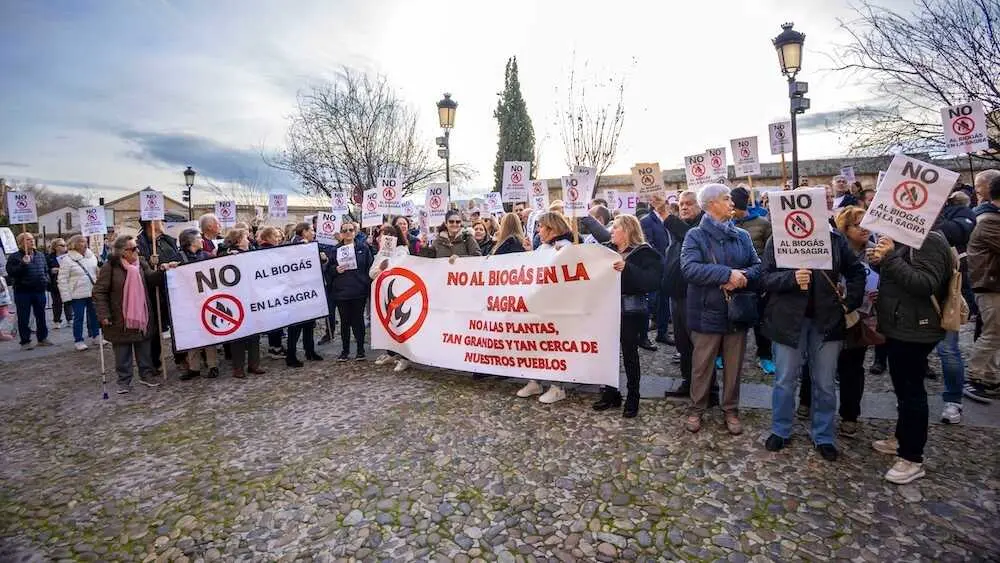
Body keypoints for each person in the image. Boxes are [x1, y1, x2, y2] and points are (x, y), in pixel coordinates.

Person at [761, 206, 865, 461]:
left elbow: (856, 272)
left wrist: (850, 300)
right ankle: (781, 429)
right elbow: (764, 278)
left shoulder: (835, 240)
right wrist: (791, 279)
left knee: (825, 383)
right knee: (785, 380)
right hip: (788, 321)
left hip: (826, 320)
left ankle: (823, 434)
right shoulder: (778, 240)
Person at [869, 229, 952, 484]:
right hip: (900, 325)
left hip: (917, 328)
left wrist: (891, 258)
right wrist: (880, 260)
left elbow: (925, 284)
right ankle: (901, 439)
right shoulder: (904, 237)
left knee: (912, 392)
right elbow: (898, 279)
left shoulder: (931, 240)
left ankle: (912, 458)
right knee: (903, 390)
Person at [680, 184, 762, 434]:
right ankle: (696, 409)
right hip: (706, 312)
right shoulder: (695, 235)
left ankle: (731, 409)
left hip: (736, 312)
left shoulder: (742, 236)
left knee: (735, 366)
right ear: (711, 204)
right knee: (702, 365)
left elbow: (758, 267)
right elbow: (689, 269)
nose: (732, 203)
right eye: (726, 199)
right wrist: (726, 274)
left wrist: (742, 276)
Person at [593, 215, 663, 417]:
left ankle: (633, 397)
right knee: (607, 354)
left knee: (630, 354)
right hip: (607, 309)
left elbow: (652, 281)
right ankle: (610, 393)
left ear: (628, 230)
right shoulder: (607, 250)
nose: (611, 231)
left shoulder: (645, 253)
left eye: (615, 228)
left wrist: (628, 268)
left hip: (632, 312)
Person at [93, 235, 172, 393]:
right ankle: (124, 380)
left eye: (136, 247)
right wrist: (103, 314)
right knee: (122, 352)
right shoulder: (110, 267)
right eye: (133, 248)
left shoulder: (141, 263)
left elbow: (151, 279)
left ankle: (146, 374)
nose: (137, 250)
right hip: (119, 316)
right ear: (123, 252)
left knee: (144, 348)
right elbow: (99, 292)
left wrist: (162, 269)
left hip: (142, 314)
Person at [516, 212, 576, 404]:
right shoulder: (543, 247)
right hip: (539, 304)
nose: (538, 230)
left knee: (554, 346)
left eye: (541, 227)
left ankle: (558, 386)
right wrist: (528, 254)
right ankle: (535, 380)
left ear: (551, 228)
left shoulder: (566, 248)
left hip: (557, 305)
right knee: (535, 344)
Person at [831, 207, 880, 436]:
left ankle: (850, 415)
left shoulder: (877, 252)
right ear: (845, 228)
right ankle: (809, 402)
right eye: (858, 225)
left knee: (853, 368)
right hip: (832, 314)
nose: (864, 229)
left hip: (861, 317)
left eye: (867, 224)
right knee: (823, 365)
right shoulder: (834, 250)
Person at [663, 190, 705, 398]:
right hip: (676, 295)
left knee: (699, 345)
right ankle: (688, 382)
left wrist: (664, 214)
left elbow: (689, 235)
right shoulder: (678, 229)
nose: (684, 207)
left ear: (700, 206)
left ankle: (708, 388)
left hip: (693, 295)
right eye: (681, 204)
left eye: (689, 203)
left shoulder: (701, 227)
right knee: (682, 343)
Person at [731, 186, 775, 375]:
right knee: (729, 317)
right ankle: (723, 354)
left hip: (756, 278)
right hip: (731, 278)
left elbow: (770, 252)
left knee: (760, 320)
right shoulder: (725, 224)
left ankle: (764, 356)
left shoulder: (763, 223)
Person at [964, 172, 1000, 402]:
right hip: (990, 284)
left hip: (992, 283)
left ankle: (990, 377)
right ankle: (974, 377)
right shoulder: (989, 220)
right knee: (993, 333)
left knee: (996, 333)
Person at [217, 228, 266, 378]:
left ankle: (254, 364)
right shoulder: (228, 254)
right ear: (238, 240)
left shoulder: (251, 251)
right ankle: (238, 367)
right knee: (238, 334)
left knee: (254, 333)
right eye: (245, 237)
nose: (248, 240)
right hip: (236, 299)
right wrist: (228, 256)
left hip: (252, 296)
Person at [176, 228, 220, 379]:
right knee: (192, 333)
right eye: (199, 238)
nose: (202, 240)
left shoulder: (206, 256)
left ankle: (213, 365)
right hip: (187, 302)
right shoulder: (179, 258)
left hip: (205, 300)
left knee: (209, 332)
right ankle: (194, 367)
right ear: (191, 242)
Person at [371, 223, 413, 373]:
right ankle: (391, 353)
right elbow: (372, 273)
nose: (381, 237)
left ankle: (404, 358)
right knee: (388, 326)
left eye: (384, 234)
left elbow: (399, 269)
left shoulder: (402, 251)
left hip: (399, 294)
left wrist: (387, 265)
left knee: (401, 326)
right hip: (383, 295)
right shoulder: (381, 252)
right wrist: (380, 267)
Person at [331, 221, 374, 361]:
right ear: (341, 233)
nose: (348, 232)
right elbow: (328, 269)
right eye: (345, 230)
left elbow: (370, 267)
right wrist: (335, 270)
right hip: (342, 292)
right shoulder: (335, 250)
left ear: (355, 232)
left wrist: (366, 284)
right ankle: (345, 351)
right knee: (344, 322)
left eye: (351, 230)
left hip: (358, 291)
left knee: (358, 321)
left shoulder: (363, 248)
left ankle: (360, 350)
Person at [285, 222, 324, 366]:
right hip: (298, 291)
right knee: (295, 327)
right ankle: (291, 356)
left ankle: (310, 351)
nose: (314, 232)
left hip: (308, 289)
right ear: (304, 232)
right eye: (312, 230)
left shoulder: (309, 244)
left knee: (309, 324)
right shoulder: (295, 245)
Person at [5, 232, 52, 350]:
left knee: (41, 315)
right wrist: (23, 264)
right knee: (24, 317)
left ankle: (42, 338)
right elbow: (11, 272)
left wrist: (46, 280)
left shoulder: (40, 255)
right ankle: (25, 341)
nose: (32, 241)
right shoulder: (15, 257)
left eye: (32, 239)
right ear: (21, 243)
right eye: (28, 240)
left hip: (39, 290)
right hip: (23, 291)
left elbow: (45, 270)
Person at [57, 235, 101, 351]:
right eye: (81, 242)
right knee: (79, 317)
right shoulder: (67, 259)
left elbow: (95, 272)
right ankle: (78, 340)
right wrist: (66, 296)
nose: (84, 244)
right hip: (77, 293)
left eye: (85, 241)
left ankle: (96, 335)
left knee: (95, 315)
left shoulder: (91, 256)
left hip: (92, 291)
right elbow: (62, 279)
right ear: (74, 244)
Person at [639, 194, 671, 351]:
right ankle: (645, 334)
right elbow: (648, 244)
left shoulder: (670, 218)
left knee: (665, 301)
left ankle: (663, 332)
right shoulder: (646, 221)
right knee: (653, 301)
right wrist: (662, 261)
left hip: (670, 266)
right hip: (657, 266)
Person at [255, 226, 288, 359]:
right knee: (275, 320)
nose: (278, 238)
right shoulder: (267, 251)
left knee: (276, 319)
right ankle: (275, 347)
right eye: (275, 236)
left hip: (272, 290)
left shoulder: (267, 250)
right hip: (271, 291)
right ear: (268, 237)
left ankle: (275, 345)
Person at [46, 238, 73, 329]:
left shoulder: (69, 256)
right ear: (56, 247)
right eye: (62, 245)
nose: (64, 247)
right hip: (55, 283)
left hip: (67, 282)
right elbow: (45, 269)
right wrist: (51, 270)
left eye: (65, 245)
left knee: (68, 301)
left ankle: (70, 319)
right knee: (56, 302)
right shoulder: (49, 257)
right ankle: (57, 321)